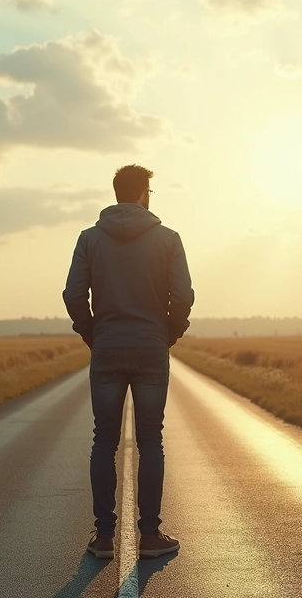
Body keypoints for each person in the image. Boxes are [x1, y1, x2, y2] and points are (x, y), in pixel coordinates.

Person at [62, 164, 194, 561]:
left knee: (104, 440)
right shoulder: (168, 239)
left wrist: (92, 333)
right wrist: (168, 332)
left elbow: (72, 294)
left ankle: (104, 538)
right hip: (151, 347)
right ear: (143, 194)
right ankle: (149, 535)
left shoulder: (89, 239)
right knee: (151, 439)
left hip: (107, 348)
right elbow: (183, 295)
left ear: (117, 192)